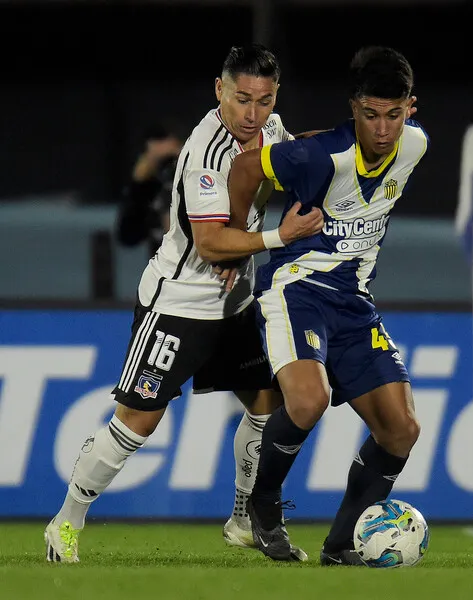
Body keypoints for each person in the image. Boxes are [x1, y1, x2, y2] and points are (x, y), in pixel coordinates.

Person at [44, 43, 325, 563]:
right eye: (241, 99)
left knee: (268, 409)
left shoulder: (271, 129)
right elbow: (212, 245)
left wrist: (342, 144)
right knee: (137, 422)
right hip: (179, 303)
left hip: (234, 303)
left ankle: (243, 518)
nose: (252, 113)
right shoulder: (206, 152)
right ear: (219, 90)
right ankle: (66, 521)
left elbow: (298, 151)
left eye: (263, 101)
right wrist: (278, 237)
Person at [226, 45, 427, 564]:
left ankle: (340, 546)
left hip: (355, 303)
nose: (382, 129)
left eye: (394, 114)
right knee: (308, 401)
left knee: (402, 429)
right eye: (369, 114)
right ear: (353, 107)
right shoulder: (321, 157)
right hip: (297, 289)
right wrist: (243, 235)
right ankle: (262, 504)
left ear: (411, 107)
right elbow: (246, 170)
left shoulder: (416, 145)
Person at [116, 123, 185, 259]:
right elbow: (128, 237)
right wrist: (139, 184)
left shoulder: (198, 178)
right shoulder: (151, 188)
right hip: (164, 272)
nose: (169, 165)